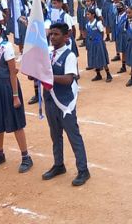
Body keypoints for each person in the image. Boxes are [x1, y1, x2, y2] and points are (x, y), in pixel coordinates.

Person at [43, 23, 91, 186]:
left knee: (73, 135)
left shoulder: (69, 55)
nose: (52, 37)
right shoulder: (48, 53)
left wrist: (48, 76)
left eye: (56, 34)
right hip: (50, 99)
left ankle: (83, 170)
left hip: (64, 102)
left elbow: (68, 79)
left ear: (66, 37)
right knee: (55, 134)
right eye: (51, 34)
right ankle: (59, 164)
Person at [0, 21, 32, 171]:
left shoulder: (6, 47)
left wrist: (15, 95)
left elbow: (12, 73)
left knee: (16, 122)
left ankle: (26, 157)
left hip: (7, 87)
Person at [84, 9, 113, 82]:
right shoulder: (87, 24)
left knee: (102, 58)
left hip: (98, 44)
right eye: (87, 14)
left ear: (93, 15)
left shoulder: (98, 23)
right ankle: (98, 74)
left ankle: (108, 74)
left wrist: (100, 41)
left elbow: (102, 32)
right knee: (94, 58)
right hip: (91, 44)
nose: (87, 16)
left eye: (88, 14)